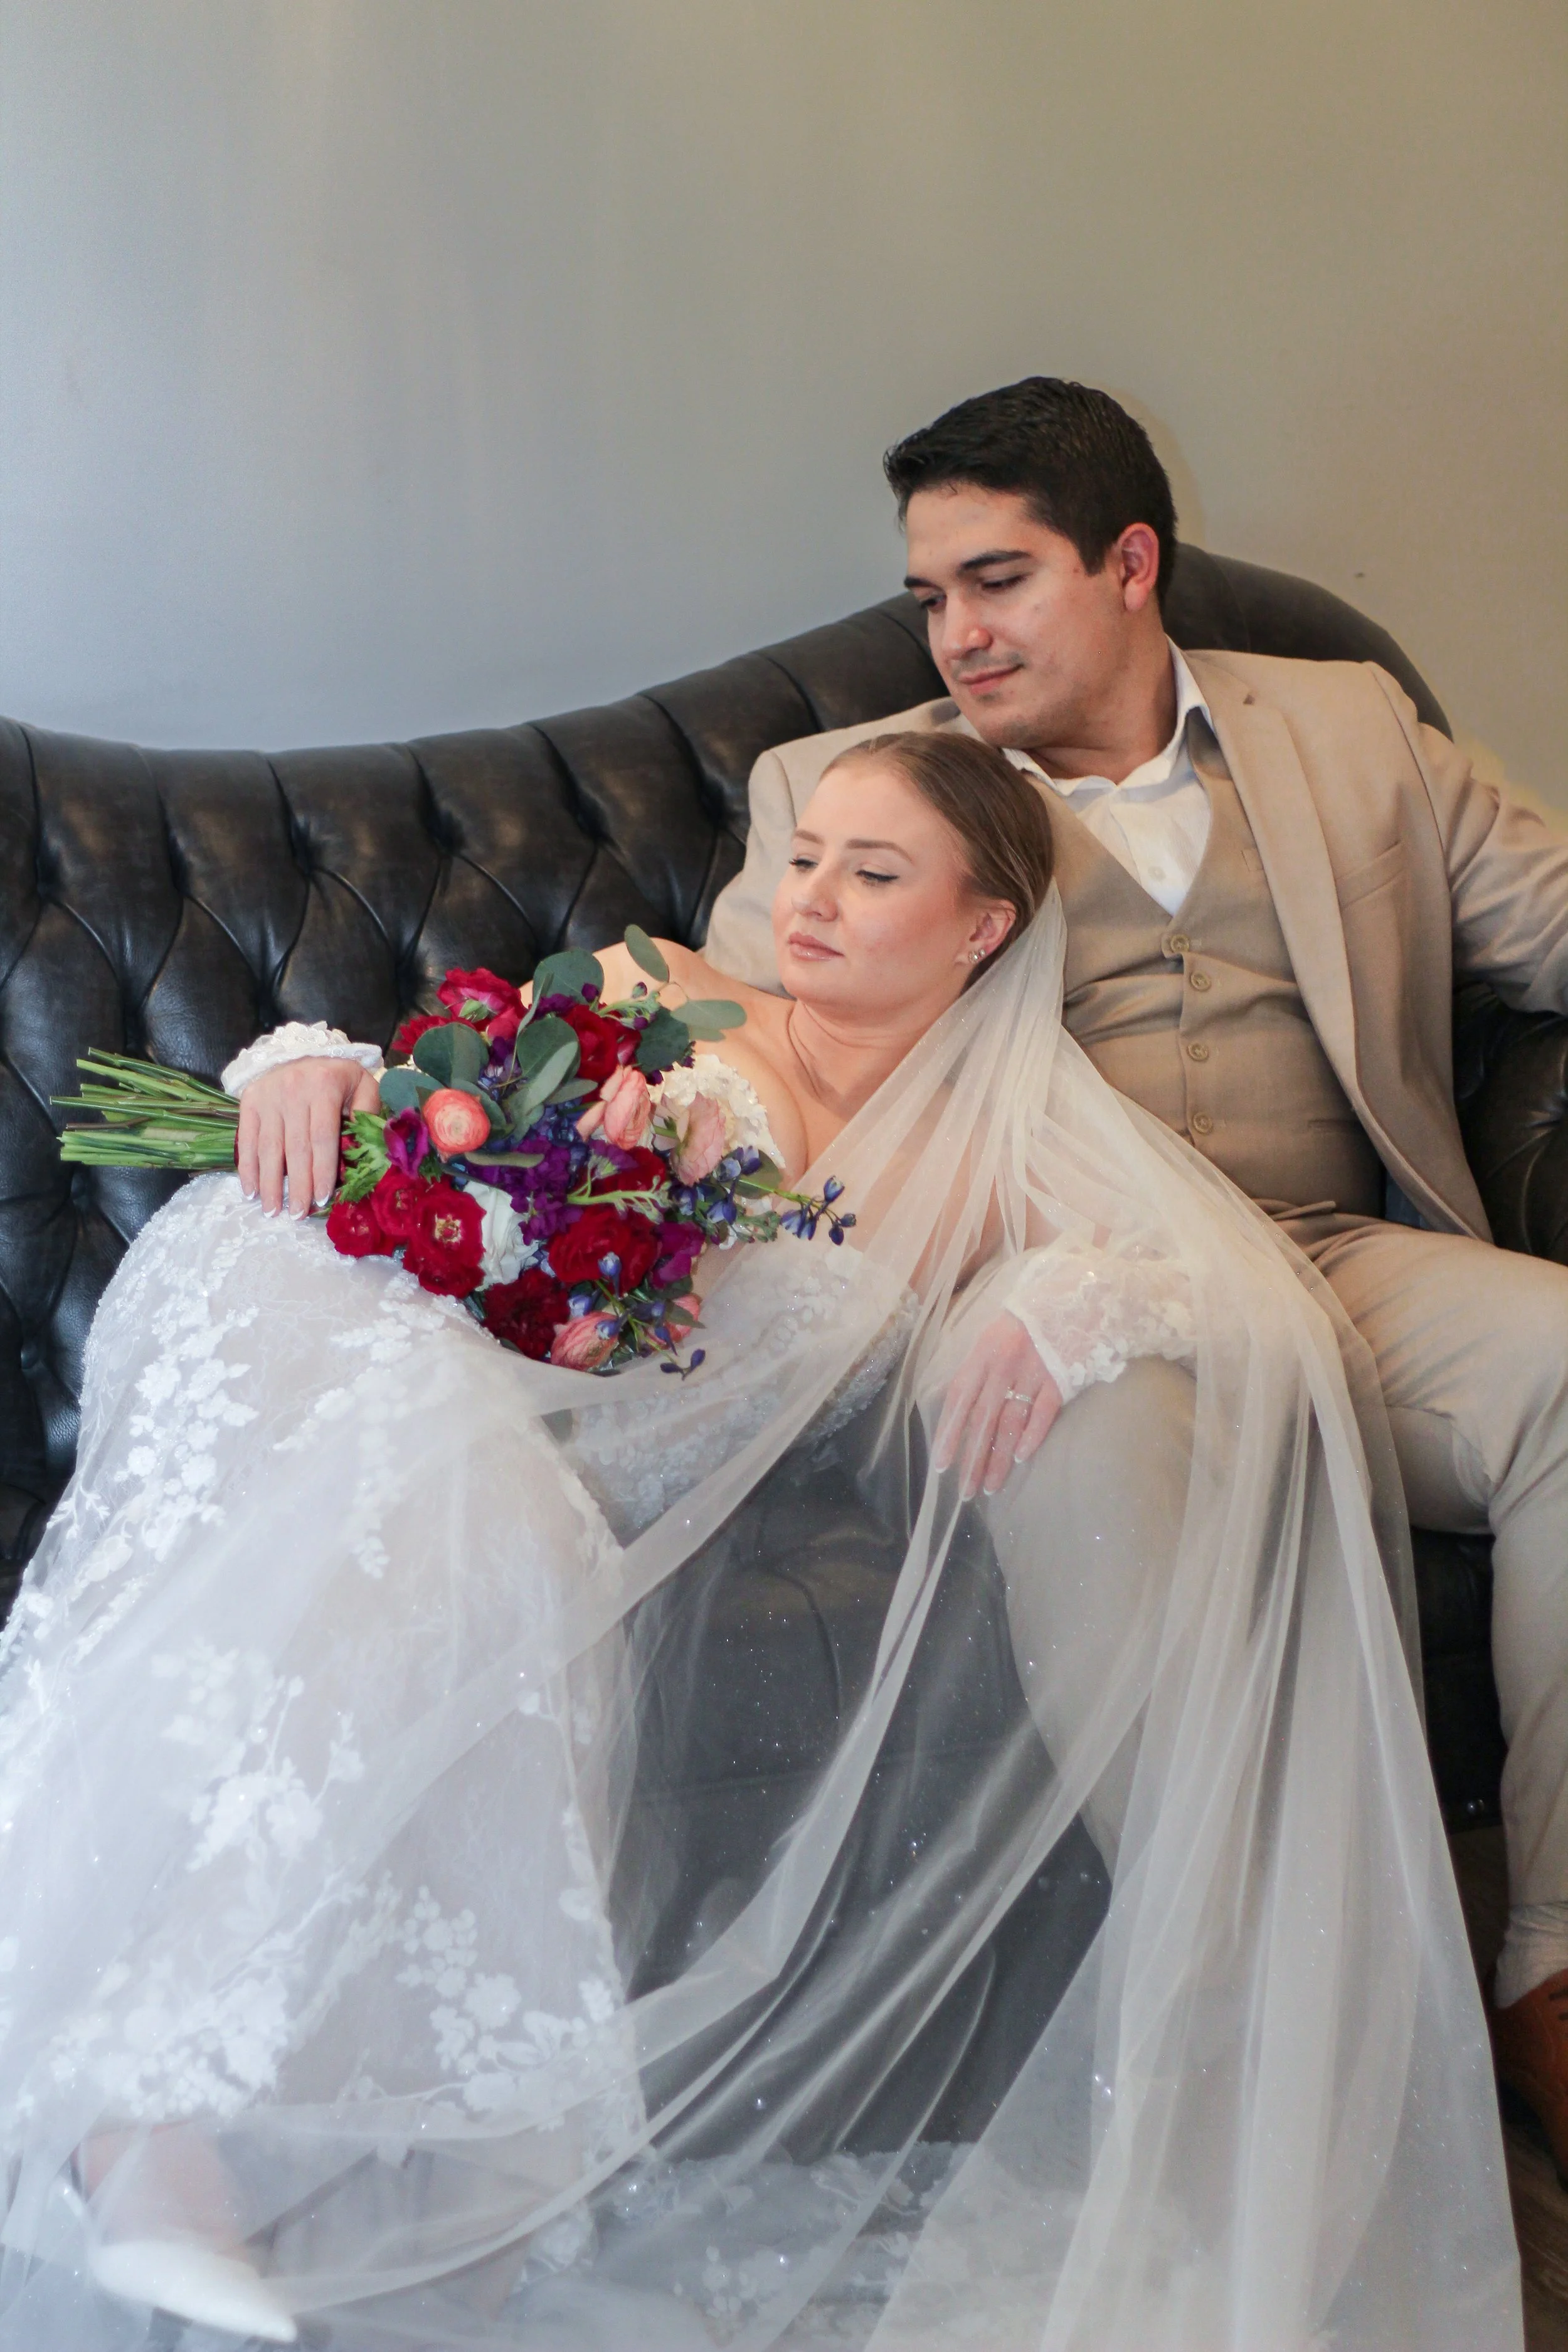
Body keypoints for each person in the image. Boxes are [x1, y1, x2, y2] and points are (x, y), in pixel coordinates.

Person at [0, 731, 1520, 2349]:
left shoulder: (999, 1139)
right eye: (807, 860)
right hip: (354, 1298)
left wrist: (1068, 1312)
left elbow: (1221, 1283)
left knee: (491, 1541)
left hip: (534, 1434)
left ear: (982, 929)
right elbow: (424, 1097)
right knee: (432, 1496)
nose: (811, 902)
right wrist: (292, 1071)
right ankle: (136, 2124)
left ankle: (281, 2149)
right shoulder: (660, 983)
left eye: (874, 876)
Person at [706, 373, 1568, 2165]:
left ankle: (1545, 1965)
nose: (955, 634)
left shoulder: (1348, 726)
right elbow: (747, 1039)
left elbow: (1550, 922)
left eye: (996, 581)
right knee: (1093, 1449)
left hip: (1341, 1255)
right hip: (1062, 1301)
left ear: (1127, 562)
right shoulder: (851, 785)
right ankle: (1238, 2035)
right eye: (929, 595)